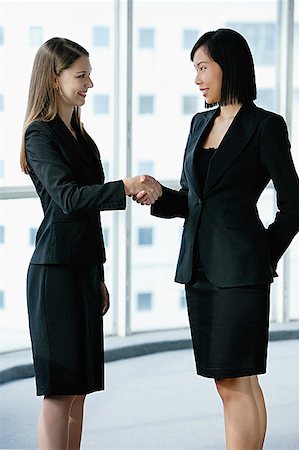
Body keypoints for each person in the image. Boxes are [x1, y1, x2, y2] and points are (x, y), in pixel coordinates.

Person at [137, 29, 299, 449]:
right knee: (234, 380)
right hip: (200, 270)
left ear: (228, 66)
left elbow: (294, 207)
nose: (196, 79)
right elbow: (194, 199)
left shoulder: (266, 126)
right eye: (195, 69)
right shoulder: (199, 122)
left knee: (232, 380)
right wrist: (160, 196)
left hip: (240, 274)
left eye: (202, 67)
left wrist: (260, 254)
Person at [20, 37, 161, 450]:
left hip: (82, 270)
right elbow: (67, 199)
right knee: (59, 391)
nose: (90, 84)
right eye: (81, 75)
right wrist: (126, 185)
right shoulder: (39, 135)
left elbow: (89, 216)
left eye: (89, 75)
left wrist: (98, 275)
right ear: (54, 77)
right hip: (54, 274)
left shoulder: (82, 138)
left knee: (79, 389)